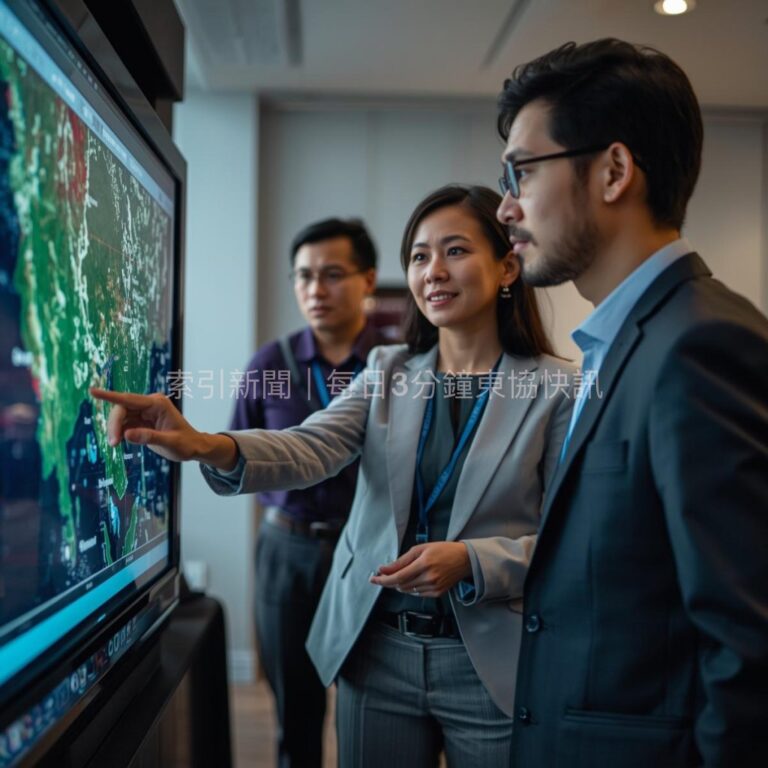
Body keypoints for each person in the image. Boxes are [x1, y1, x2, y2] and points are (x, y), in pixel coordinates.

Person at [91, 185, 575, 768]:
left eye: (455, 251)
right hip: (379, 650)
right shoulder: (388, 370)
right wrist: (203, 445)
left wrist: (473, 561)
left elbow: (568, 539)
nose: (434, 272)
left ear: (506, 267)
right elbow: (311, 444)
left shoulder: (558, 388)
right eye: (419, 256)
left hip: (490, 658)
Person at [495, 38, 768, 767]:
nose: (505, 206)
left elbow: (747, 642)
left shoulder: (699, 345)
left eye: (523, 170)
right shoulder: (621, 342)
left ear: (613, 171)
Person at [229, 217, 391, 768]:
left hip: (370, 551)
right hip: (288, 550)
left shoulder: (398, 367)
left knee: (371, 708)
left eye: (332, 274)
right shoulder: (269, 366)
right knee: (294, 711)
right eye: (303, 276)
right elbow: (240, 457)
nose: (315, 290)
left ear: (368, 279)